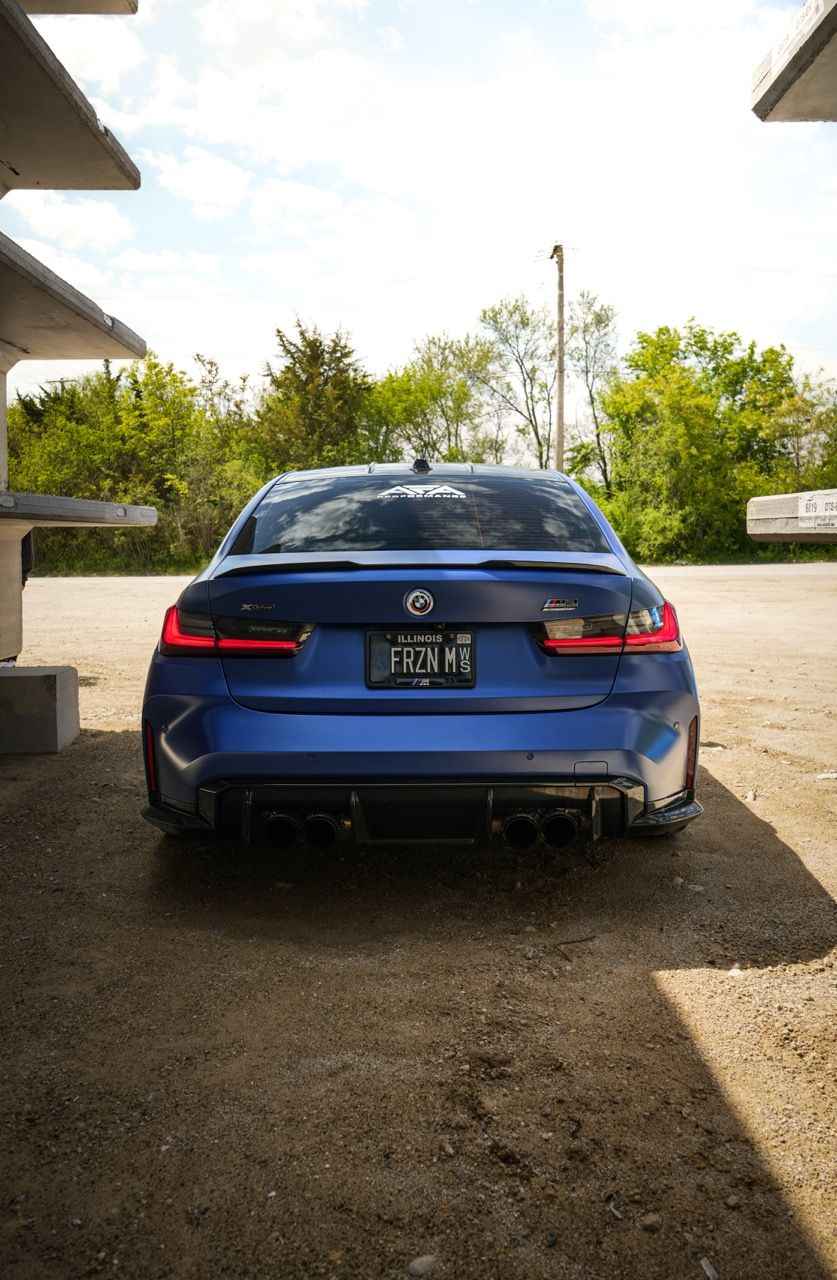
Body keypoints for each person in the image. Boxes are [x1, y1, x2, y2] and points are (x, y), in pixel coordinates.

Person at [0, 531, 35, 666]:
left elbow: (23, 531)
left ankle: (7, 659)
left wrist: (23, 575)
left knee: (8, 612)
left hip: (9, 568)